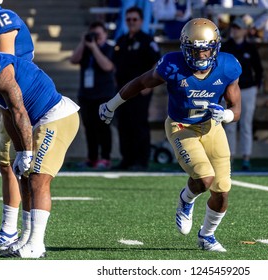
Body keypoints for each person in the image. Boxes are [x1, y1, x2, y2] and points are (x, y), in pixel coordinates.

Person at [100, 18, 242, 251]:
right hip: (181, 126)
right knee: (204, 178)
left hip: (211, 128)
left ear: (215, 47)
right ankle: (186, 198)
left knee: (222, 190)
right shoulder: (171, 65)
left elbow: (236, 109)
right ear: (185, 48)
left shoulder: (228, 66)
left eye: (206, 50)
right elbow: (140, 83)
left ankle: (207, 236)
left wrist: (226, 115)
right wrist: (111, 105)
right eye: (195, 51)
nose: (201, 57)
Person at [0, 27, 80, 258]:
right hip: (41, 120)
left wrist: (27, 154)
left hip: (55, 116)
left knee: (37, 177)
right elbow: (7, 112)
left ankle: (36, 244)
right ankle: (25, 238)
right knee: (24, 174)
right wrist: (20, 151)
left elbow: (19, 111)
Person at [0, 0, 35, 251]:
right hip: (8, 101)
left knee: (23, 166)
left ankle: (28, 235)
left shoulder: (2, 19)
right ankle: (9, 230)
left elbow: (3, 65)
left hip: (20, 100)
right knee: (6, 165)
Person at [112, 6, 161, 171]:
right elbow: (115, 65)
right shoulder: (122, 40)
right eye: (128, 20)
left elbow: (157, 63)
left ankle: (141, 160)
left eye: (134, 19)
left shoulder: (148, 40)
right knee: (124, 123)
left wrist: (150, 84)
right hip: (123, 91)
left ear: (141, 21)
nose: (131, 22)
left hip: (140, 90)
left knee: (139, 123)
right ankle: (127, 159)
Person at [70, 21, 115, 169]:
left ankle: (105, 158)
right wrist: (84, 42)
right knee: (89, 128)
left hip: (104, 94)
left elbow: (107, 66)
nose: (95, 37)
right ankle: (92, 158)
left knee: (103, 127)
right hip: (86, 95)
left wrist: (95, 47)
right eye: (92, 34)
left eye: (98, 34)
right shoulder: (86, 49)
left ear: (105, 34)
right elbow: (74, 60)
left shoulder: (109, 48)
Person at [221, 17, 263, 171]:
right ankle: (229, 156)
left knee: (246, 124)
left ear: (245, 30)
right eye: (234, 27)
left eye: (238, 28)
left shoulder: (250, 48)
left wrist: (257, 86)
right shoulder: (226, 47)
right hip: (230, 90)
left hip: (247, 89)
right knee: (229, 124)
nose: (235, 30)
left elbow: (258, 69)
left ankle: (246, 157)